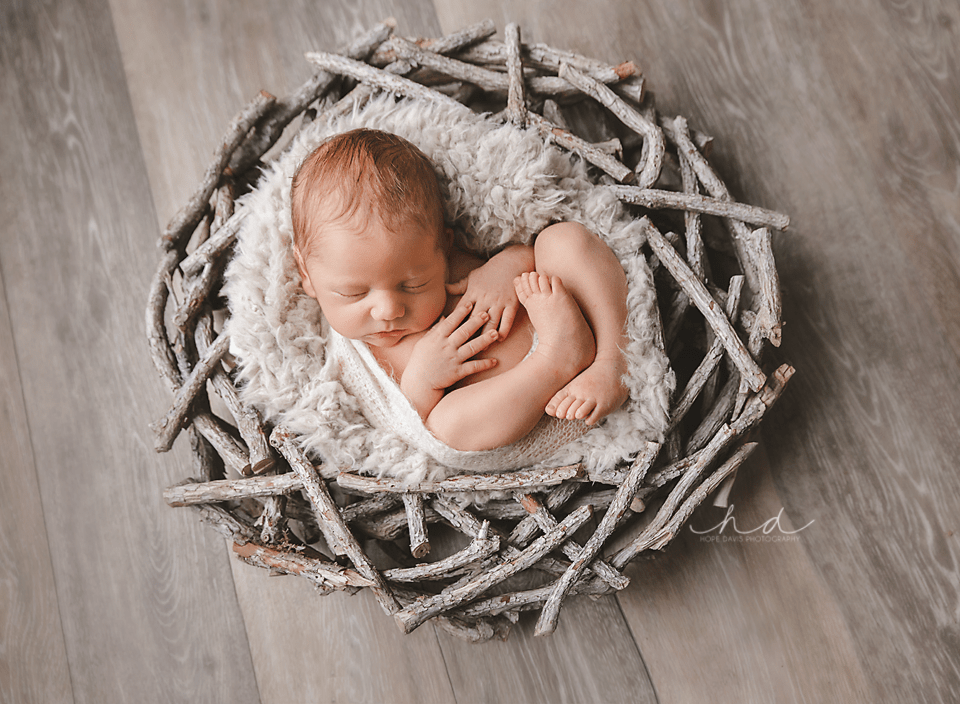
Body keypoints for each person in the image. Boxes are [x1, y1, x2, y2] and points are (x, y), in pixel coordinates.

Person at [291, 128, 629, 452]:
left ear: (443, 247)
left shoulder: (444, 261)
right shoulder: (345, 361)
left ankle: (613, 361)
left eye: (413, 284)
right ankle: (557, 359)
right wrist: (420, 384)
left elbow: (528, 255)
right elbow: (399, 433)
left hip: (581, 341)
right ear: (307, 274)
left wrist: (505, 266)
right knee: (448, 425)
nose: (389, 309)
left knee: (562, 239)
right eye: (354, 293)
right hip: (522, 407)